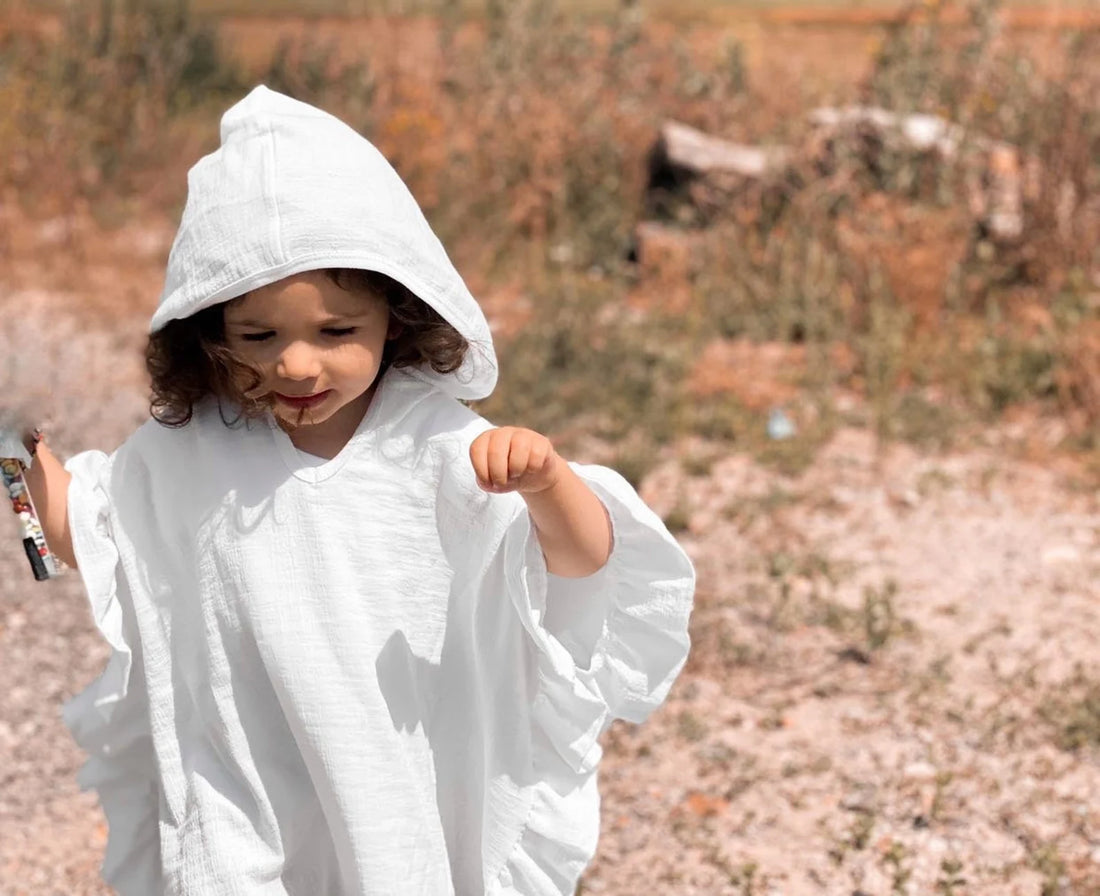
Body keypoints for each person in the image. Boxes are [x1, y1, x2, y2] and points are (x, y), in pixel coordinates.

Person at [12, 86, 694, 896]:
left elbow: (583, 567)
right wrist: (18, 451)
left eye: (338, 332)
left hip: (404, 795)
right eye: (257, 337)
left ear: (397, 317)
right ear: (205, 335)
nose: (297, 366)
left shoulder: (440, 447)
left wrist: (548, 484)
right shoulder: (189, 452)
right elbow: (78, 535)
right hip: (251, 800)